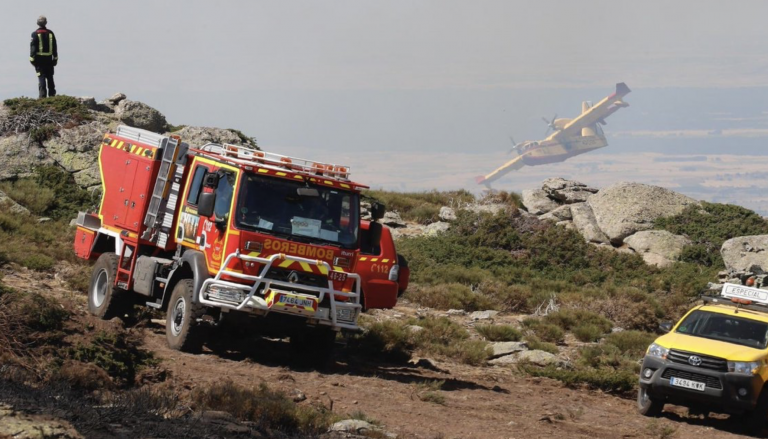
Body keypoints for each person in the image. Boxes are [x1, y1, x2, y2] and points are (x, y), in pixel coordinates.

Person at [29, 15, 58, 99]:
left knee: (41, 78)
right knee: (50, 77)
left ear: (37, 23)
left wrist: (32, 59)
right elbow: (54, 46)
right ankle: (52, 96)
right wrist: (55, 58)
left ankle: (42, 97)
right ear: (46, 23)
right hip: (49, 60)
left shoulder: (35, 34)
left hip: (39, 60)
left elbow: (33, 47)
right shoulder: (50, 33)